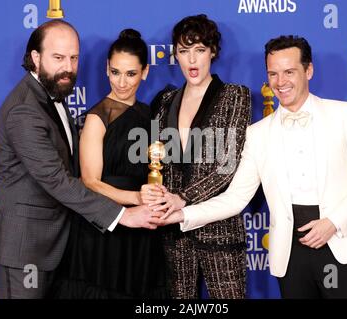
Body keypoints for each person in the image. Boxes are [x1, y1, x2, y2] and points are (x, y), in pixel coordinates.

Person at [161, 35, 347, 299]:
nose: (281, 82)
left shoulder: (342, 114)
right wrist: (182, 215)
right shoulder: (258, 134)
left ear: (308, 70)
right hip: (290, 251)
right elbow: (235, 198)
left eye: (289, 72)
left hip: (340, 240)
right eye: (273, 74)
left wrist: (333, 223)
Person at [0, 20, 162, 299]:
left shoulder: (51, 93)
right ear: (35, 57)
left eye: (73, 58)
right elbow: (58, 181)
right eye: (58, 57)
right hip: (24, 248)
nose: (67, 66)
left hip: (56, 244)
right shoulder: (24, 111)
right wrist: (124, 213)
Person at [50, 28, 168, 299]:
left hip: (143, 229)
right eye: (115, 72)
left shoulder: (149, 114)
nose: (122, 83)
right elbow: (90, 182)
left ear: (145, 72)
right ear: (106, 69)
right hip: (104, 228)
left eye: (131, 74)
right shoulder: (97, 117)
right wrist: (136, 198)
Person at [141, 14, 251, 299]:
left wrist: (183, 199)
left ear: (212, 52)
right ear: (175, 55)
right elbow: (158, 162)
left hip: (220, 232)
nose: (192, 60)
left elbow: (227, 166)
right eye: (184, 51)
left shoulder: (234, 96)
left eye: (199, 50)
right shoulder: (165, 102)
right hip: (175, 235)